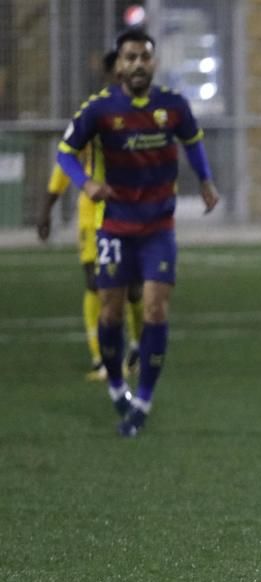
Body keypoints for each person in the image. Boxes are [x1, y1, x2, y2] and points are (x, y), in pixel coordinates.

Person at [56, 29, 219, 437]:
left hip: (158, 227)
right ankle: (115, 384)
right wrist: (86, 184)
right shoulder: (100, 110)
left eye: (145, 57)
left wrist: (206, 181)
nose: (138, 64)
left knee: (155, 309)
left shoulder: (173, 106)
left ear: (154, 63)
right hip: (114, 226)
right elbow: (65, 152)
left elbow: (194, 142)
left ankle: (143, 399)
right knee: (110, 310)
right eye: (130, 57)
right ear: (119, 66)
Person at [37, 50, 143, 381]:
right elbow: (66, 159)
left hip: (132, 212)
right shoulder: (93, 115)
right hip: (93, 215)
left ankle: (137, 346)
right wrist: (47, 207)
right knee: (96, 284)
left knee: (135, 289)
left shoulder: (145, 114)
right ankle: (100, 358)